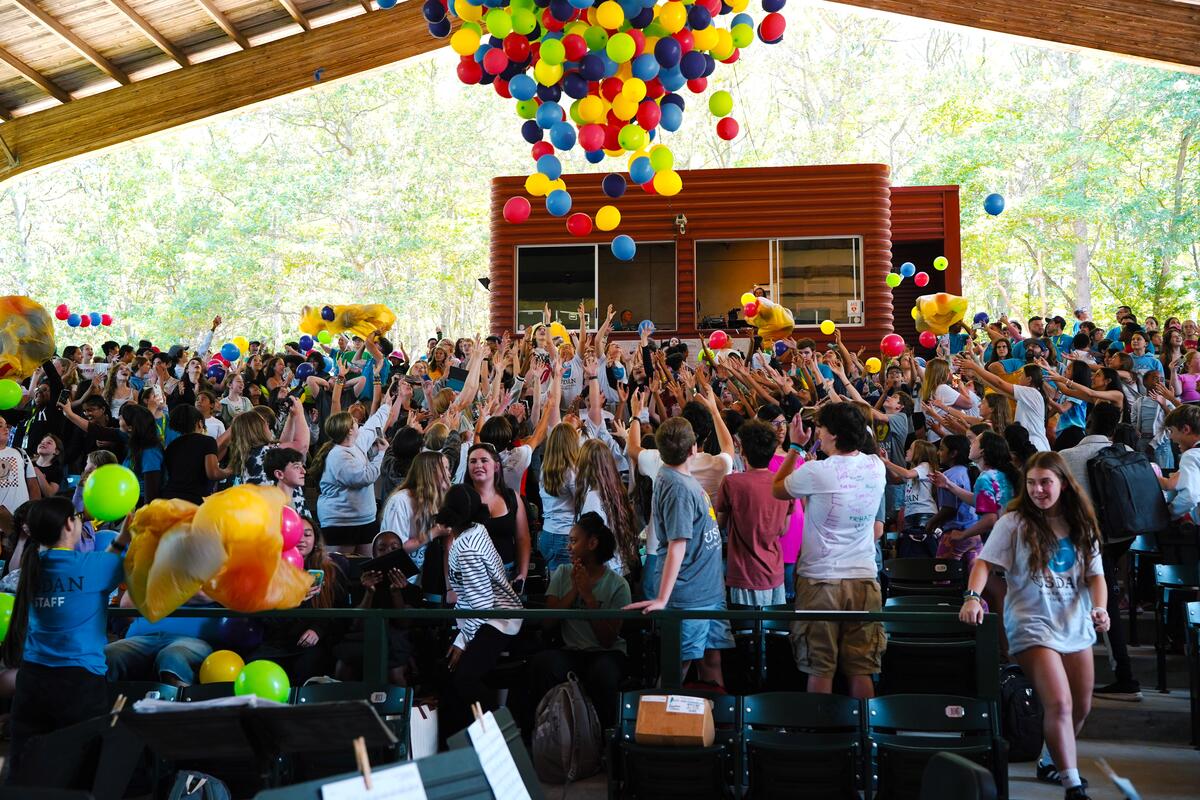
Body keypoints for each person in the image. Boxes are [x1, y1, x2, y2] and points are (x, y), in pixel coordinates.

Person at [960, 452, 1107, 800]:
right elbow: (983, 564)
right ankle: (1072, 783)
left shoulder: (1081, 523)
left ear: (1064, 484)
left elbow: (1096, 576)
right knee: (1059, 703)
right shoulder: (1014, 523)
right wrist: (970, 596)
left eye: (1046, 482)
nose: (1038, 490)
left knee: (1081, 706)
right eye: (1031, 483)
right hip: (1031, 623)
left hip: (1074, 623)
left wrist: (1100, 609)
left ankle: (1049, 759)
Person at [2, 497, 132, 784]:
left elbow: (98, 564)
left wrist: (121, 539)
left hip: (32, 680)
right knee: (82, 770)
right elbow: (114, 565)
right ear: (69, 524)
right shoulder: (93, 566)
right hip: (80, 683)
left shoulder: (30, 568)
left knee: (26, 770)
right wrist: (126, 537)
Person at [771, 403, 887, 698]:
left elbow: (777, 488)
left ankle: (821, 735)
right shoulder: (876, 466)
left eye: (821, 428)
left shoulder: (816, 471)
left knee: (819, 668)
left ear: (833, 435)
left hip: (820, 581)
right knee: (861, 667)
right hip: (863, 578)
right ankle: (865, 737)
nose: (818, 433)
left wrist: (796, 446)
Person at [627, 415, 734, 687]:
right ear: (693, 449)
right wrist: (663, 598)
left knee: (712, 661)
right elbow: (677, 544)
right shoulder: (677, 487)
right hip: (690, 594)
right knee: (679, 666)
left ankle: (716, 719)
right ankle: (661, 723)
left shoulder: (676, 477)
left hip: (708, 589)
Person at [437, 485, 523, 745]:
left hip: (498, 618)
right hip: (481, 616)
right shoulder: (477, 529)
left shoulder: (467, 549)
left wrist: (463, 642)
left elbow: (482, 603)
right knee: (448, 674)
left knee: (466, 678)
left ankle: (496, 739)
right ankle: (454, 744)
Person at [532, 512, 631, 730]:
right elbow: (548, 623)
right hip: (572, 651)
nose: (568, 547)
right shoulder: (563, 573)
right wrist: (574, 591)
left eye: (574, 541)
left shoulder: (618, 585)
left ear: (592, 543)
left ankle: (604, 736)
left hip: (605, 653)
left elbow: (607, 639)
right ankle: (549, 733)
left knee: (603, 674)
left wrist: (588, 597)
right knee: (543, 664)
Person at [715, 419, 791, 606]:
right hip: (775, 571)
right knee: (774, 632)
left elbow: (720, 524)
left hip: (743, 572)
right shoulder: (784, 484)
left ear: (742, 451)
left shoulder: (732, 483)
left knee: (745, 631)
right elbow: (783, 529)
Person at [317, 411, 387, 555]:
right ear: (349, 430)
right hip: (342, 523)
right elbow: (364, 477)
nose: (358, 425)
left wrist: (387, 405)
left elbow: (371, 426)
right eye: (354, 422)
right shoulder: (338, 455)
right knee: (340, 570)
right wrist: (381, 454)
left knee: (367, 568)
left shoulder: (351, 446)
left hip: (364, 519)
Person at [464, 443, 532, 587]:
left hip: (507, 574)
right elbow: (451, 541)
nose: (478, 465)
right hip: (471, 576)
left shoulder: (511, 497)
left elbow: (523, 538)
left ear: (496, 466)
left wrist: (522, 575)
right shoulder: (463, 498)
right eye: (473, 461)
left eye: (484, 460)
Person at [379, 450, 450, 585]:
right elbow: (395, 549)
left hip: (423, 579)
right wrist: (434, 532)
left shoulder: (436, 499)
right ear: (430, 472)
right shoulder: (400, 501)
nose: (449, 473)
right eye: (445, 468)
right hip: (399, 581)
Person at [956, 355, 1052, 452]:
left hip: (1036, 445)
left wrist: (975, 367)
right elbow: (998, 389)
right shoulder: (1029, 394)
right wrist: (976, 375)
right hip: (1029, 444)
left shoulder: (1031, 392)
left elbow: (999, 383)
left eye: (1022, 375)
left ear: (1029, 379)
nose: (1019, 377)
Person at [159, 405, 229, 505]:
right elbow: (213, 473)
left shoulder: (171, 446)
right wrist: (230, 470)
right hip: (194, 501)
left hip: (170, 500)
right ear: (200, 423)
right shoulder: (208, 441)